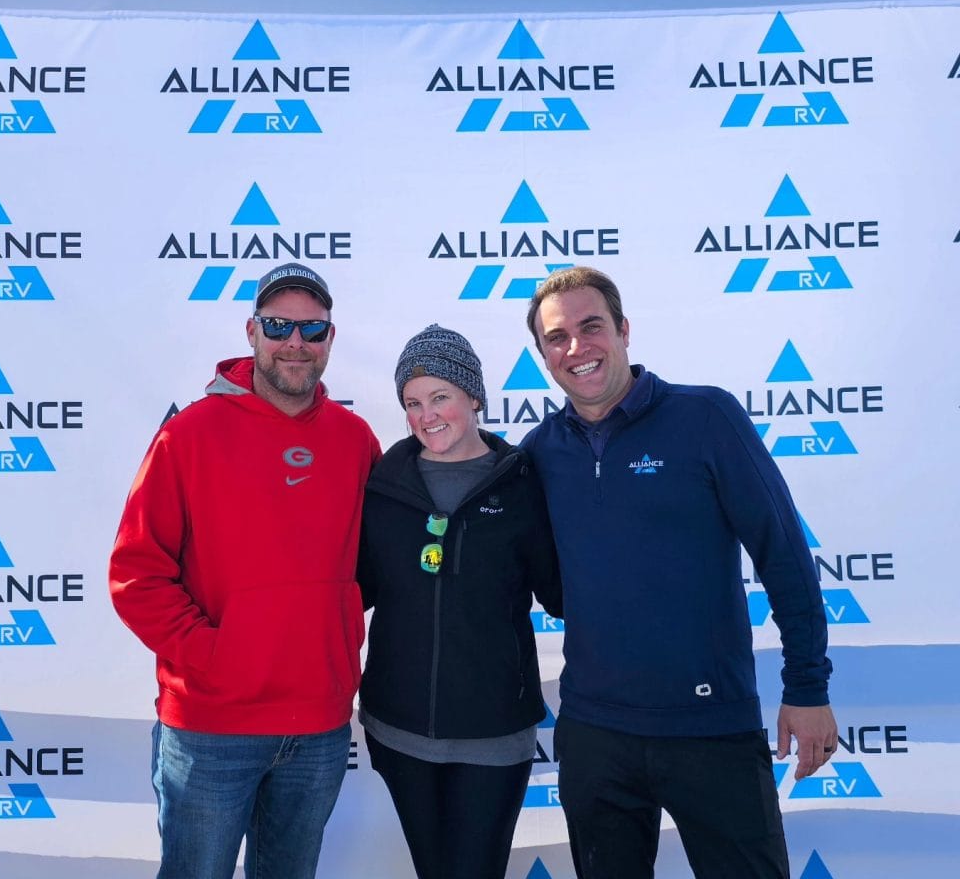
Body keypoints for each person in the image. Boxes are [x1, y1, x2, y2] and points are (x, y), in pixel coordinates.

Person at [520, 266, 838, 879]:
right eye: (557, 338)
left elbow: (784, 555)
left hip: (710, 727)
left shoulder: (705, 418)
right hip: (594, 735)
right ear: (543, 354)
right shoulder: (539, 452)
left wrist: (807, 687)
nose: (576, 348)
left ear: (624, 331)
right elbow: (551, 583)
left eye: (592, 328)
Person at [109, 263, 380, 879]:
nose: (295, 343)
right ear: (252, 332)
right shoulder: (188, 437)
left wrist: (327, 640)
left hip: (319, 725)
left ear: (330, 340)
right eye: (279, 326)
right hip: (211, 727)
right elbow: (136, 573)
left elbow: (370, 566)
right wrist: (216, 654)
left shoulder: (355, 438)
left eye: (312, 331)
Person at [356, 324, 563, 879]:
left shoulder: (522, 480)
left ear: (474, 396)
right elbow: (353, 589)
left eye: (440, 396)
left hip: (493, 732)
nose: (427, 416)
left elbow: (564, 593)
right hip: (398, 729)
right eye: (412, 403)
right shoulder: (383, 483)